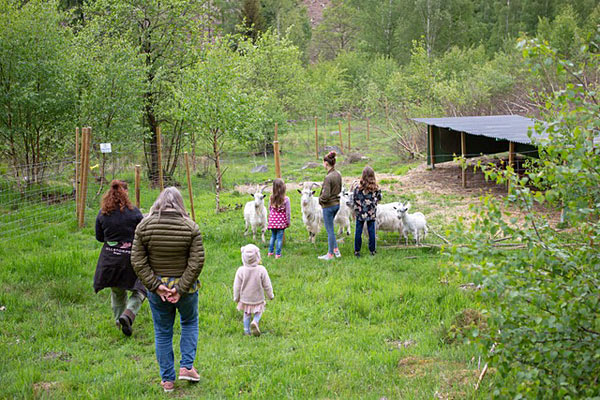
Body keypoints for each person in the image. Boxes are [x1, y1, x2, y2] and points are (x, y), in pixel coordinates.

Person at [131, 187, 205, 393]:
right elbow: (197, 261)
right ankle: (187, 367)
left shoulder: (143, 227)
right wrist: (180, 288)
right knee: (189, 322)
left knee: (163, 331)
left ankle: (167, 381)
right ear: (180, 203)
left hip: (158, 290)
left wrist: (156, 286)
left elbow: (137, 260)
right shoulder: (191, 227)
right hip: (186, 289)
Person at [94, 180, 145, 337]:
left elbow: (99, 237)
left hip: (109, 259)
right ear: (126, 193)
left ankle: (119, 322)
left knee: (117, 291)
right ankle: (129, 313)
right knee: (142, 287)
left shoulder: (102, 213)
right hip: (130, 259)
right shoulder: (135, 213)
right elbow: (143, 233)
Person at [233, 244, 274, 336]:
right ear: (257, 256)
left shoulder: (240, 270)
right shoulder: (261, 270)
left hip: (245, 298)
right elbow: (267, 284)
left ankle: (246, 331)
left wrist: (236, 297)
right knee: (258, 311)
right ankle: (255, 321)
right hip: (258, 298)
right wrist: (270, 295)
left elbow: (237, 286)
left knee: (247, 313)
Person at [352, 166, 382, 257]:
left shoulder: (357, 188)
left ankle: (357, 251)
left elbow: (354, 199)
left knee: (358, 231)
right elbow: (380, 198)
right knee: (371, 231)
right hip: (371, 212)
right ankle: (372, 251)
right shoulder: (376, 188)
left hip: (360, 212)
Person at [318, 151, 342, 260]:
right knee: (331, 228)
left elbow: (326, 195)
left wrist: (320, 199)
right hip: (337, 204)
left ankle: (330, 254)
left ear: (326, 163)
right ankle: (336, 250)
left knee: (330, 231)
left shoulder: (328, 178)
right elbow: (340, 189)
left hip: (328, 206)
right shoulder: (338, 174)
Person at [267, 178, 291, 259]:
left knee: (273, 236)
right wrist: (288, 222)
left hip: (272, 221)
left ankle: (270, 252)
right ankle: (278, 254)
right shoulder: (286, 199)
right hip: (281, 222)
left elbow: (269, 208)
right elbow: (287, 212)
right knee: (279, 238)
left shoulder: (271, 198)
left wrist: (270, 219)